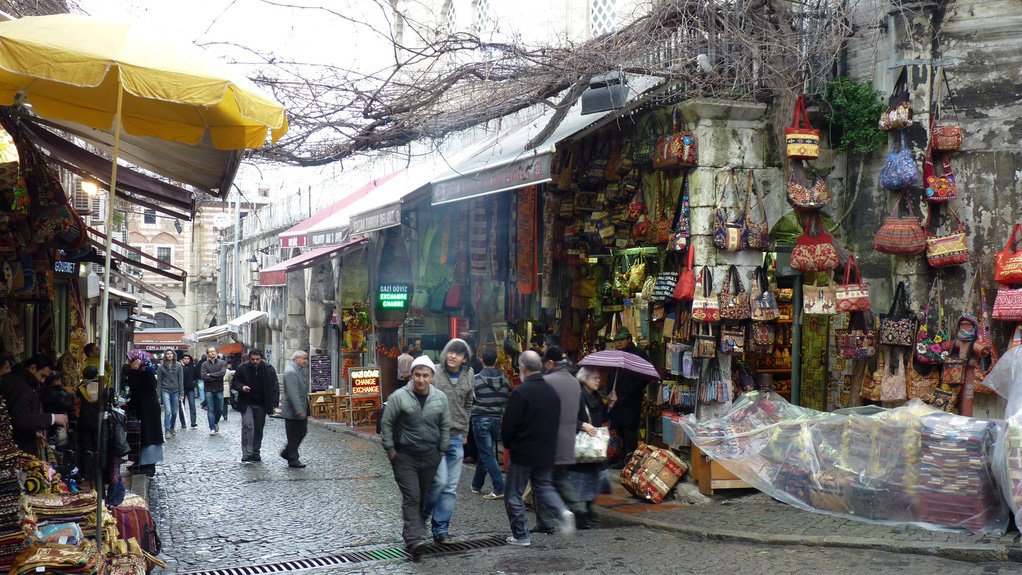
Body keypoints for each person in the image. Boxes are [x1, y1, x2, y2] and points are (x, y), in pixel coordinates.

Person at [501, 350, 575, 547]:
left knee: (513, 494)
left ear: (523, 368)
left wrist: (508, 445)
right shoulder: (551, 392)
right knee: (543, 486)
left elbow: (508, 426)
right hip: (546, 451)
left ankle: (521, 535)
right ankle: (562, 512)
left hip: (523, 451)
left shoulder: (520, 392)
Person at [380, 355, 450, 557]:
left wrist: (441, 449)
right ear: (411, 375)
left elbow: (445, 425)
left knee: (424, 497)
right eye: (417, 375)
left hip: (430, 455)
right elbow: (387, 424)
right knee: (412, 496)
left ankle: (413, 532)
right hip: (404, 456)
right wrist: (390, 449)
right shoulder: (399, 397)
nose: (421, 379)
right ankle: (413, 540)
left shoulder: (440, 398)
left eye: (425, 375)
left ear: (432, 376)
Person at [424, 338, 474, 544]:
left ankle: (441, 529)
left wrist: (465, 431)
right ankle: (419, 519)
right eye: (451, 351)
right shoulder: (434, 373)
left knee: (450, 487)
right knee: (438, 482)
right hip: (435, 437)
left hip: (456, 437)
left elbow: (468, 403)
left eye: (459, 353)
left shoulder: (469, 375)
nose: (453, 356)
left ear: (465, 359)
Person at [535, 346, 588, 531]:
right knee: (560, 478)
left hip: (548, 441)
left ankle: (545, 522)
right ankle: (579, 509)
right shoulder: (575, 382)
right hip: (568, 441)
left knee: (541, 481)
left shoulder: (546, 381)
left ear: (551, 363)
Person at [0, 354, 69, 456]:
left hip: (18, 444)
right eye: (42, 376)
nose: (43, 380)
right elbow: (20, 418)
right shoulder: (18, 385)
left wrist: (33, 433)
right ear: (33, 368)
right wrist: (52, 418)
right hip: (14, 450)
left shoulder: (25, 383)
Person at [569, 367, 610, 526]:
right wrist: (583, 425)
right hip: (582, 446)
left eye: (599, 378)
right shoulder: (577, 395)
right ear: (585, 379)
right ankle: (580, 514)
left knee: (592, 479)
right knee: (580, 481)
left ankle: (587, 509)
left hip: (593, 447)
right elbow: (567, 418)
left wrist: (611, 404)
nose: (598, 381)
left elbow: (603, 417)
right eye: (594, 378)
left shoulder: (596, 396)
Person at [470, 346, 509, 500]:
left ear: (482, 360)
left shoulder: (476, 379)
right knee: (485, 451)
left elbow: (471, 399)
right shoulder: (504, 380)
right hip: (497, 419)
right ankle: (476, 484)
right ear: (496, 360)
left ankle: (499, 487)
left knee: (487, 453)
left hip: (480, 418)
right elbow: (505, 399)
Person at [608, 328, 649, 468]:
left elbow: (644, 377)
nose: (618, 343)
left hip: (631, 399)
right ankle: (621, 458)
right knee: (618, 428)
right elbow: (612, 375)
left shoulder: (639, 354)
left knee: (629, 430)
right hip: (617, 398)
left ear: (629, 339)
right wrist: (609, 390)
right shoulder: (616, 355)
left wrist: (632, 390)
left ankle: (631, 460)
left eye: (621, 340)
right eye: (616, 340)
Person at [231, 349, 279, 463]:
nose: (255, 361)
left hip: (262, 403)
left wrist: (274, 403)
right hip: (246, 402)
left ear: (261, 358)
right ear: (249, 359)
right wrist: (242, 387)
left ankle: (255, 451)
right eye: (253, 359)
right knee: (247, 425)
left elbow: (275, 386)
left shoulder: (269, 368)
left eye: (257, 359)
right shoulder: (243, 368)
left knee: (258, 428)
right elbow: (235, 382)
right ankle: (247, 453)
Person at [124, 350, 163, 477]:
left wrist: (133, 371)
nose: (129, 362)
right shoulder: (141, 371)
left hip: (148, 409)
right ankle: (139, 462)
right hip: (142, 407)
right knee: (139, 435)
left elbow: (134, 384)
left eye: (130, 360)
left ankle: (149, 465)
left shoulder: (146, 372)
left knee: (148, 435)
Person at [280, 350, 310, 469]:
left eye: (306, 358)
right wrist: (299, 410)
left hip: (300, 408)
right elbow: (293, 393)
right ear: (295, 359)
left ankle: (287, 453)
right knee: (294, 435)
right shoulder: (291, 372)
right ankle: (292, 458)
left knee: (301, 432)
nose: (305, 361)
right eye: (303, 358)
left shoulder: (299, 370)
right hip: (293, 411)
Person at [155, 349, 183, 437]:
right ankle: (167, 430)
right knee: (168, 411)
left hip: (176, 390)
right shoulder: (161, 367)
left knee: (174, 412)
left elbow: (180, 380)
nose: (170, 355)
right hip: (165, 390)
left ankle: (172, 427)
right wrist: (158, 396)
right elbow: (159, 382)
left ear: (174, 355)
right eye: (167, 354)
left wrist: (181, 393)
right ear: (165, 356)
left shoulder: (178, 365)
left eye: (171, 353)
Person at [200, 347, 227, 434]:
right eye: (210, 352)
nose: (212, 353)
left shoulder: (222, 363)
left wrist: (210, 375)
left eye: (214, 351)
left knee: (220, 409)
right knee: (210, 409)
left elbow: (222, 374)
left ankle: (215, 422)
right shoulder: (204, 364)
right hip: (209, 389)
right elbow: (204, 376)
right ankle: (212, 427)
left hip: (219, 389)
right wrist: (216, 377)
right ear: (208, 354)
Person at [180, 354, 199, 428]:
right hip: (182, 389)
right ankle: (183, 422)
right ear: (182, 360)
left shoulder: (193, 367)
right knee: (182, 406)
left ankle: (193, 422)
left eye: (188, 359)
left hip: (190, 389)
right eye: (185, 359)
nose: (186, 360)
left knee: (192, 405)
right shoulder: (180, 367)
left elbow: (197, 376)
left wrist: (194, 383)